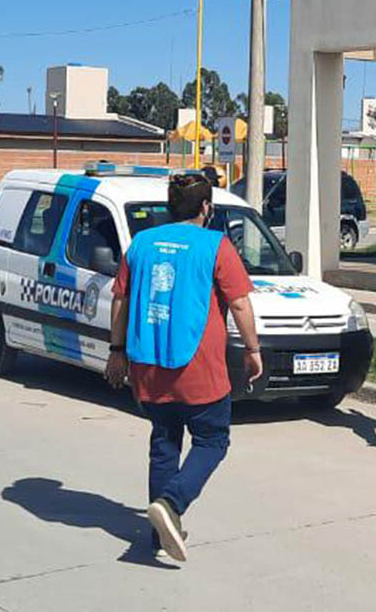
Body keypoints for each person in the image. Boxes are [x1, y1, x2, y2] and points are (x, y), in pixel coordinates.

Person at [107, 173, 263, 563]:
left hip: (147, 363)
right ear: (206, 207)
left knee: (164, 442)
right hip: (197, 366)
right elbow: (240, 303)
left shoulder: (141, 243)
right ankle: (172, 504)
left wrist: (116, 351)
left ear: (170, 206)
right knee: (212, 441)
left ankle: (161, 535)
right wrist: (252, 349)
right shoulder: (215, 245)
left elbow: (120, 300)